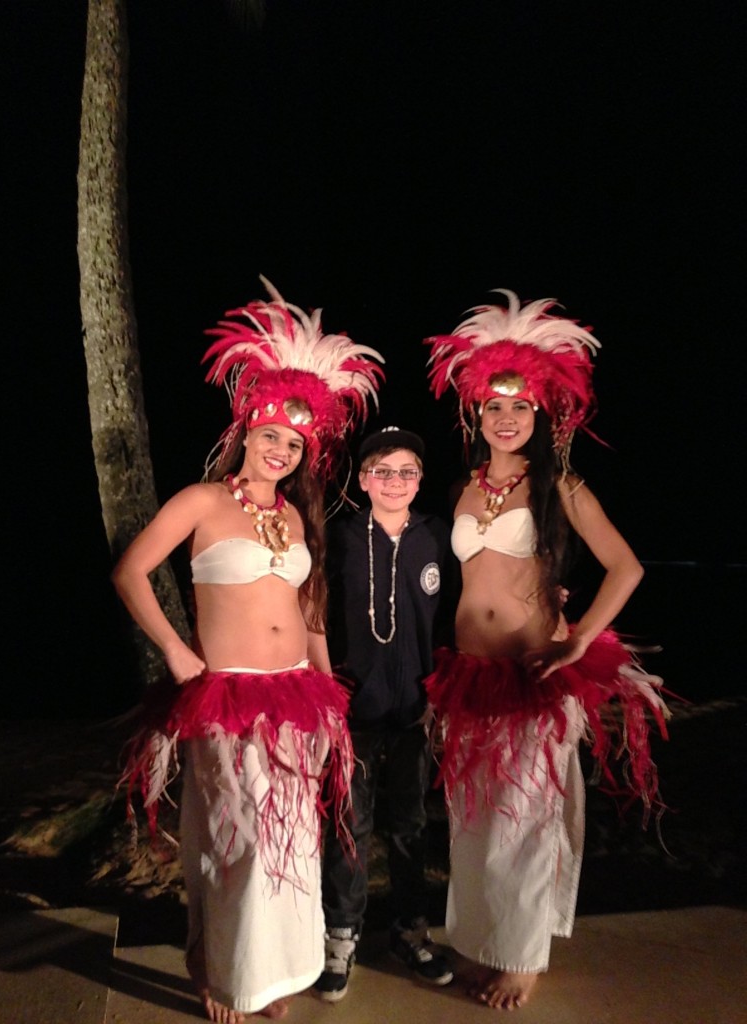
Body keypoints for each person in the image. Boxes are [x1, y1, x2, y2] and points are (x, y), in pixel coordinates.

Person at [113, 278, 383, 1024]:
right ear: (246, 432)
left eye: (294, 444)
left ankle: (268, 975)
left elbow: (310, 609)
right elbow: (130, 571)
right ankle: (219, 967)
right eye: (270, 436)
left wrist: (332, 699)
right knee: (235, 840)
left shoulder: (298, 517)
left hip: (299, 693)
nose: (280, 449)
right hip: (228, 694)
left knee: (290, 843)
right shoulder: (202, 503)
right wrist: (173, 648)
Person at [423, 290, 668, 1010]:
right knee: (472, 821)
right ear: (475, 413)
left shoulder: (561, 486)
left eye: (521, 407)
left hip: (532, 672)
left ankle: (522, 955)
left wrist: (580, 638)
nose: (506, 418)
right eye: (495, 407)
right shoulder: (463, 489)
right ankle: (477, 942)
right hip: (469, 674)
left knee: (526, 822)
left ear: (541, 416)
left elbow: (627, 567)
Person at [314, 426, 456, 1002]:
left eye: (406, 471)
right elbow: (312, 612)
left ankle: (410, 931)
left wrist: (441, 694)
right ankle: (340, 939)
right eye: (382, 470)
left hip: (415, 714)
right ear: (363, 478)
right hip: (353, 711)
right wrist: (326, 692)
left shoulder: (437, 537)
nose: (394, 481)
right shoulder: (339, 535)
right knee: (348, 827)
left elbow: (457, 615)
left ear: (420, 479)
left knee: (411, 829)